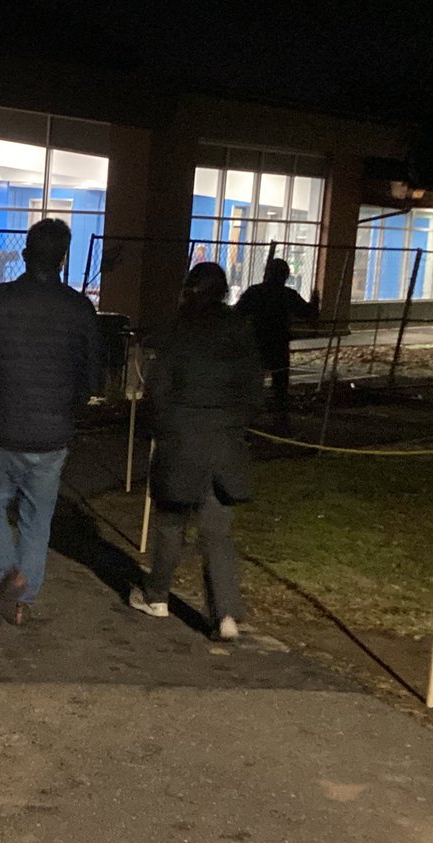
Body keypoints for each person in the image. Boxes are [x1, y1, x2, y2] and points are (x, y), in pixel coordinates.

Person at [0, 218, 103, 626]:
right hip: (53, 431)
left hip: (1, 425)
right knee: (37, 517)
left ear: (25, 254)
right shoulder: (80, 308)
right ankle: (24, 596)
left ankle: (6, 572)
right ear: (63, 259)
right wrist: (72, 407)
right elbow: (93, 375)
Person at [128, 262, 261, 640]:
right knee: (217, 531)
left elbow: (159, 390)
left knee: (171, 524)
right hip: (224, 444)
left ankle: (157, 597)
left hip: (182, 442)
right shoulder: (239, 332)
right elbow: (254, 393)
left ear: (189, 290)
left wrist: (157, 428)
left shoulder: (177, 330)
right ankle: (226, 614)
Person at [235, 258, 319, 433]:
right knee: (280, 386)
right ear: (285, 276)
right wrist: (315, 302)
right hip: (278, 344)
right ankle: (280, 421)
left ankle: (248, 421)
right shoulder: (287, 295)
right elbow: (308, 313)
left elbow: (237, 314)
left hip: (257, 343)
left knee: (252, 383)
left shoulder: (255, 292)